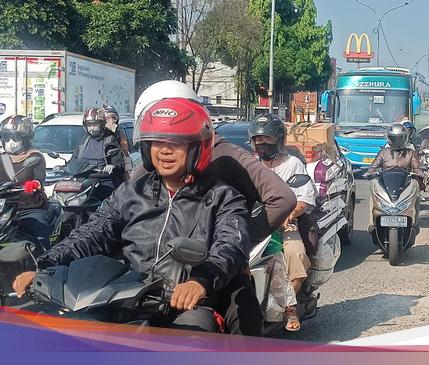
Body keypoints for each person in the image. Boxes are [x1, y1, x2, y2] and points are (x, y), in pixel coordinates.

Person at [13, 98, 263, 335]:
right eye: (157, 141)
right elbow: (92, 233)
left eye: (175, 143)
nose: (164, 150)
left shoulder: (223, 197)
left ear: (197, 146)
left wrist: (201, 280)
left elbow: (231, 245)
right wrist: (46, 267)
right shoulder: (132, 192)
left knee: (194, 333)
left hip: (188, 303)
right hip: (127, 296)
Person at [129, 80, 296, 251]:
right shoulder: (152, 167)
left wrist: (237, 243)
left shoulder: (230, 158)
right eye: (155, 140)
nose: (164, 150)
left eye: (173, 139)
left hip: (214, 266)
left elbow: (283, 198)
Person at [248, 113, 315, 332]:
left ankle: (290, 309)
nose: (263, 145)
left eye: (267, 140)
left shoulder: (293, 164)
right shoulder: (250, 166)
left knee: (295, 255)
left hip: (285, 227)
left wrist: (288, 214)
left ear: (278, 141)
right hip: (255, 227)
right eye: (259, 140)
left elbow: (304, 198)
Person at [0, 115, 52, 251]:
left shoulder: (35, 157)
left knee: (41, 237)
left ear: (25, 138)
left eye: (15, 138)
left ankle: (45, 265)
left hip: (29, 207)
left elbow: (39, 178)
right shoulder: (2, 158)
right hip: (5, 208)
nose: (10, 143)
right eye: (6, 138)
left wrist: (34, 184)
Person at [72, 107, 127, 194]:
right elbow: (74, 160)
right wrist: (63, 168)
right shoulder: (84, 141)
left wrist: (112, 166)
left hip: (104, 181)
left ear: (101, 124)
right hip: (84, 180)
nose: (91, 128)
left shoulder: (110, 140)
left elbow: (119, 162)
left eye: (94, 125)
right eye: (89, 125)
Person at [102, 105, 132, 179]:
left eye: (113, 118)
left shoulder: (119, 133)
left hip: (117, 170)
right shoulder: (97, 135)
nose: (111, 121)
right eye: (108, 118)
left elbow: (125, 152)